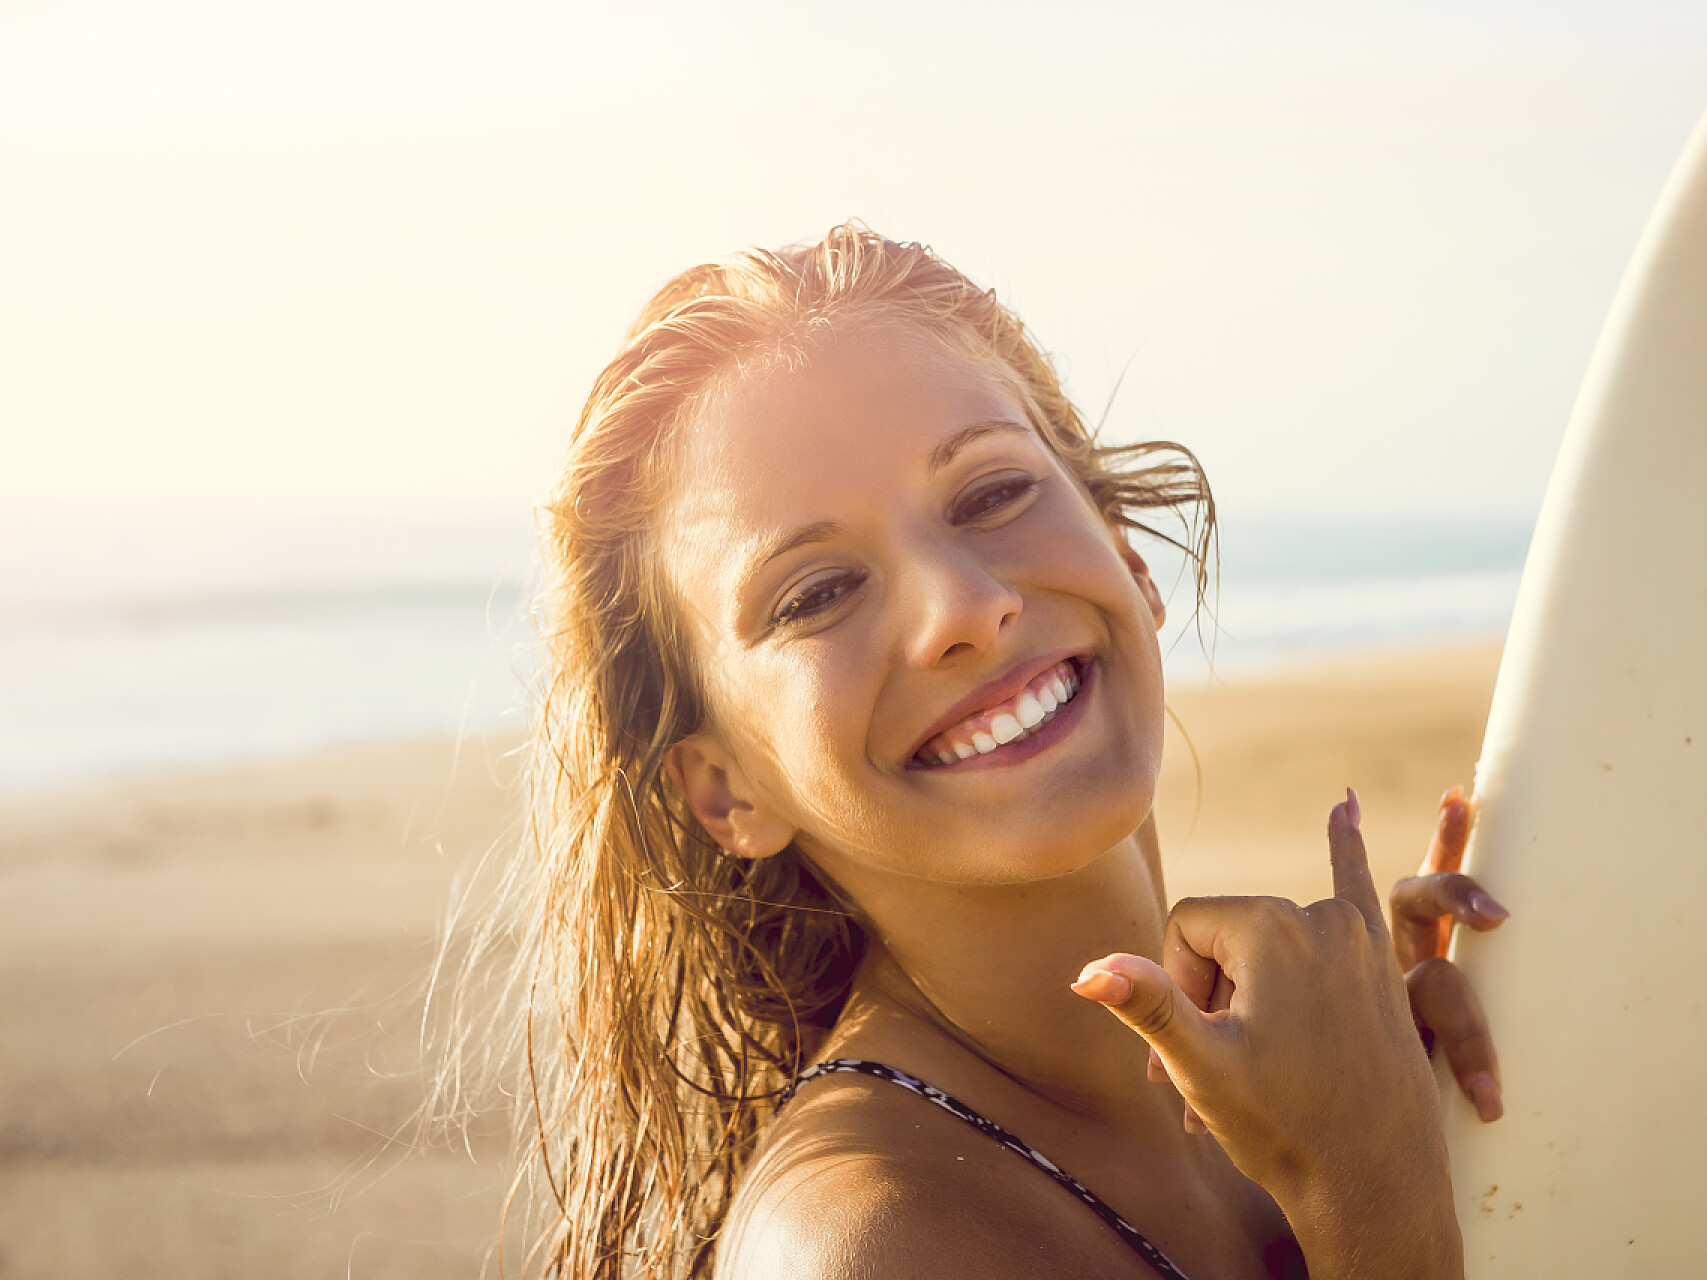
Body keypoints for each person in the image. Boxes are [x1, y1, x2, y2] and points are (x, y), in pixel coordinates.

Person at [481, 223, 1508, 1280]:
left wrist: (1437, 1114)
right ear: (725, 789)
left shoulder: (1290, 1091)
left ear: (1125, 550)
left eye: (991, 494)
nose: (965, 606)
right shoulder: (867, 1244)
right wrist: (1380, 1202)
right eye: (818, 592)